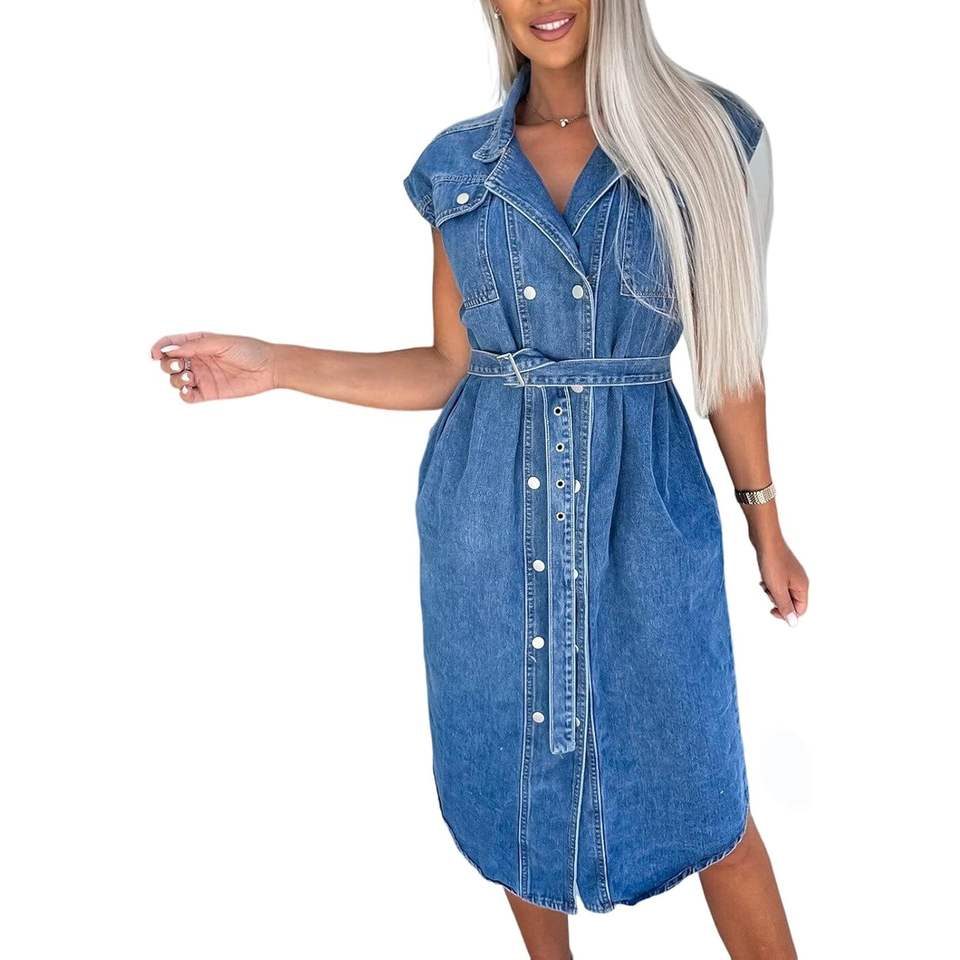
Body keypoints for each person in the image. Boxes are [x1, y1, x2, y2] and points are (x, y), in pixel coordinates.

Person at [149, 2, 808, 956]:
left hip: (644, 518)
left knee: (707, 800)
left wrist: (765, 526)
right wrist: (275, 364)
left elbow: (731, 362)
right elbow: (447, 367)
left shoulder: (707, 136)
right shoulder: (459, 167)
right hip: (489, 518)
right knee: (514, 793)